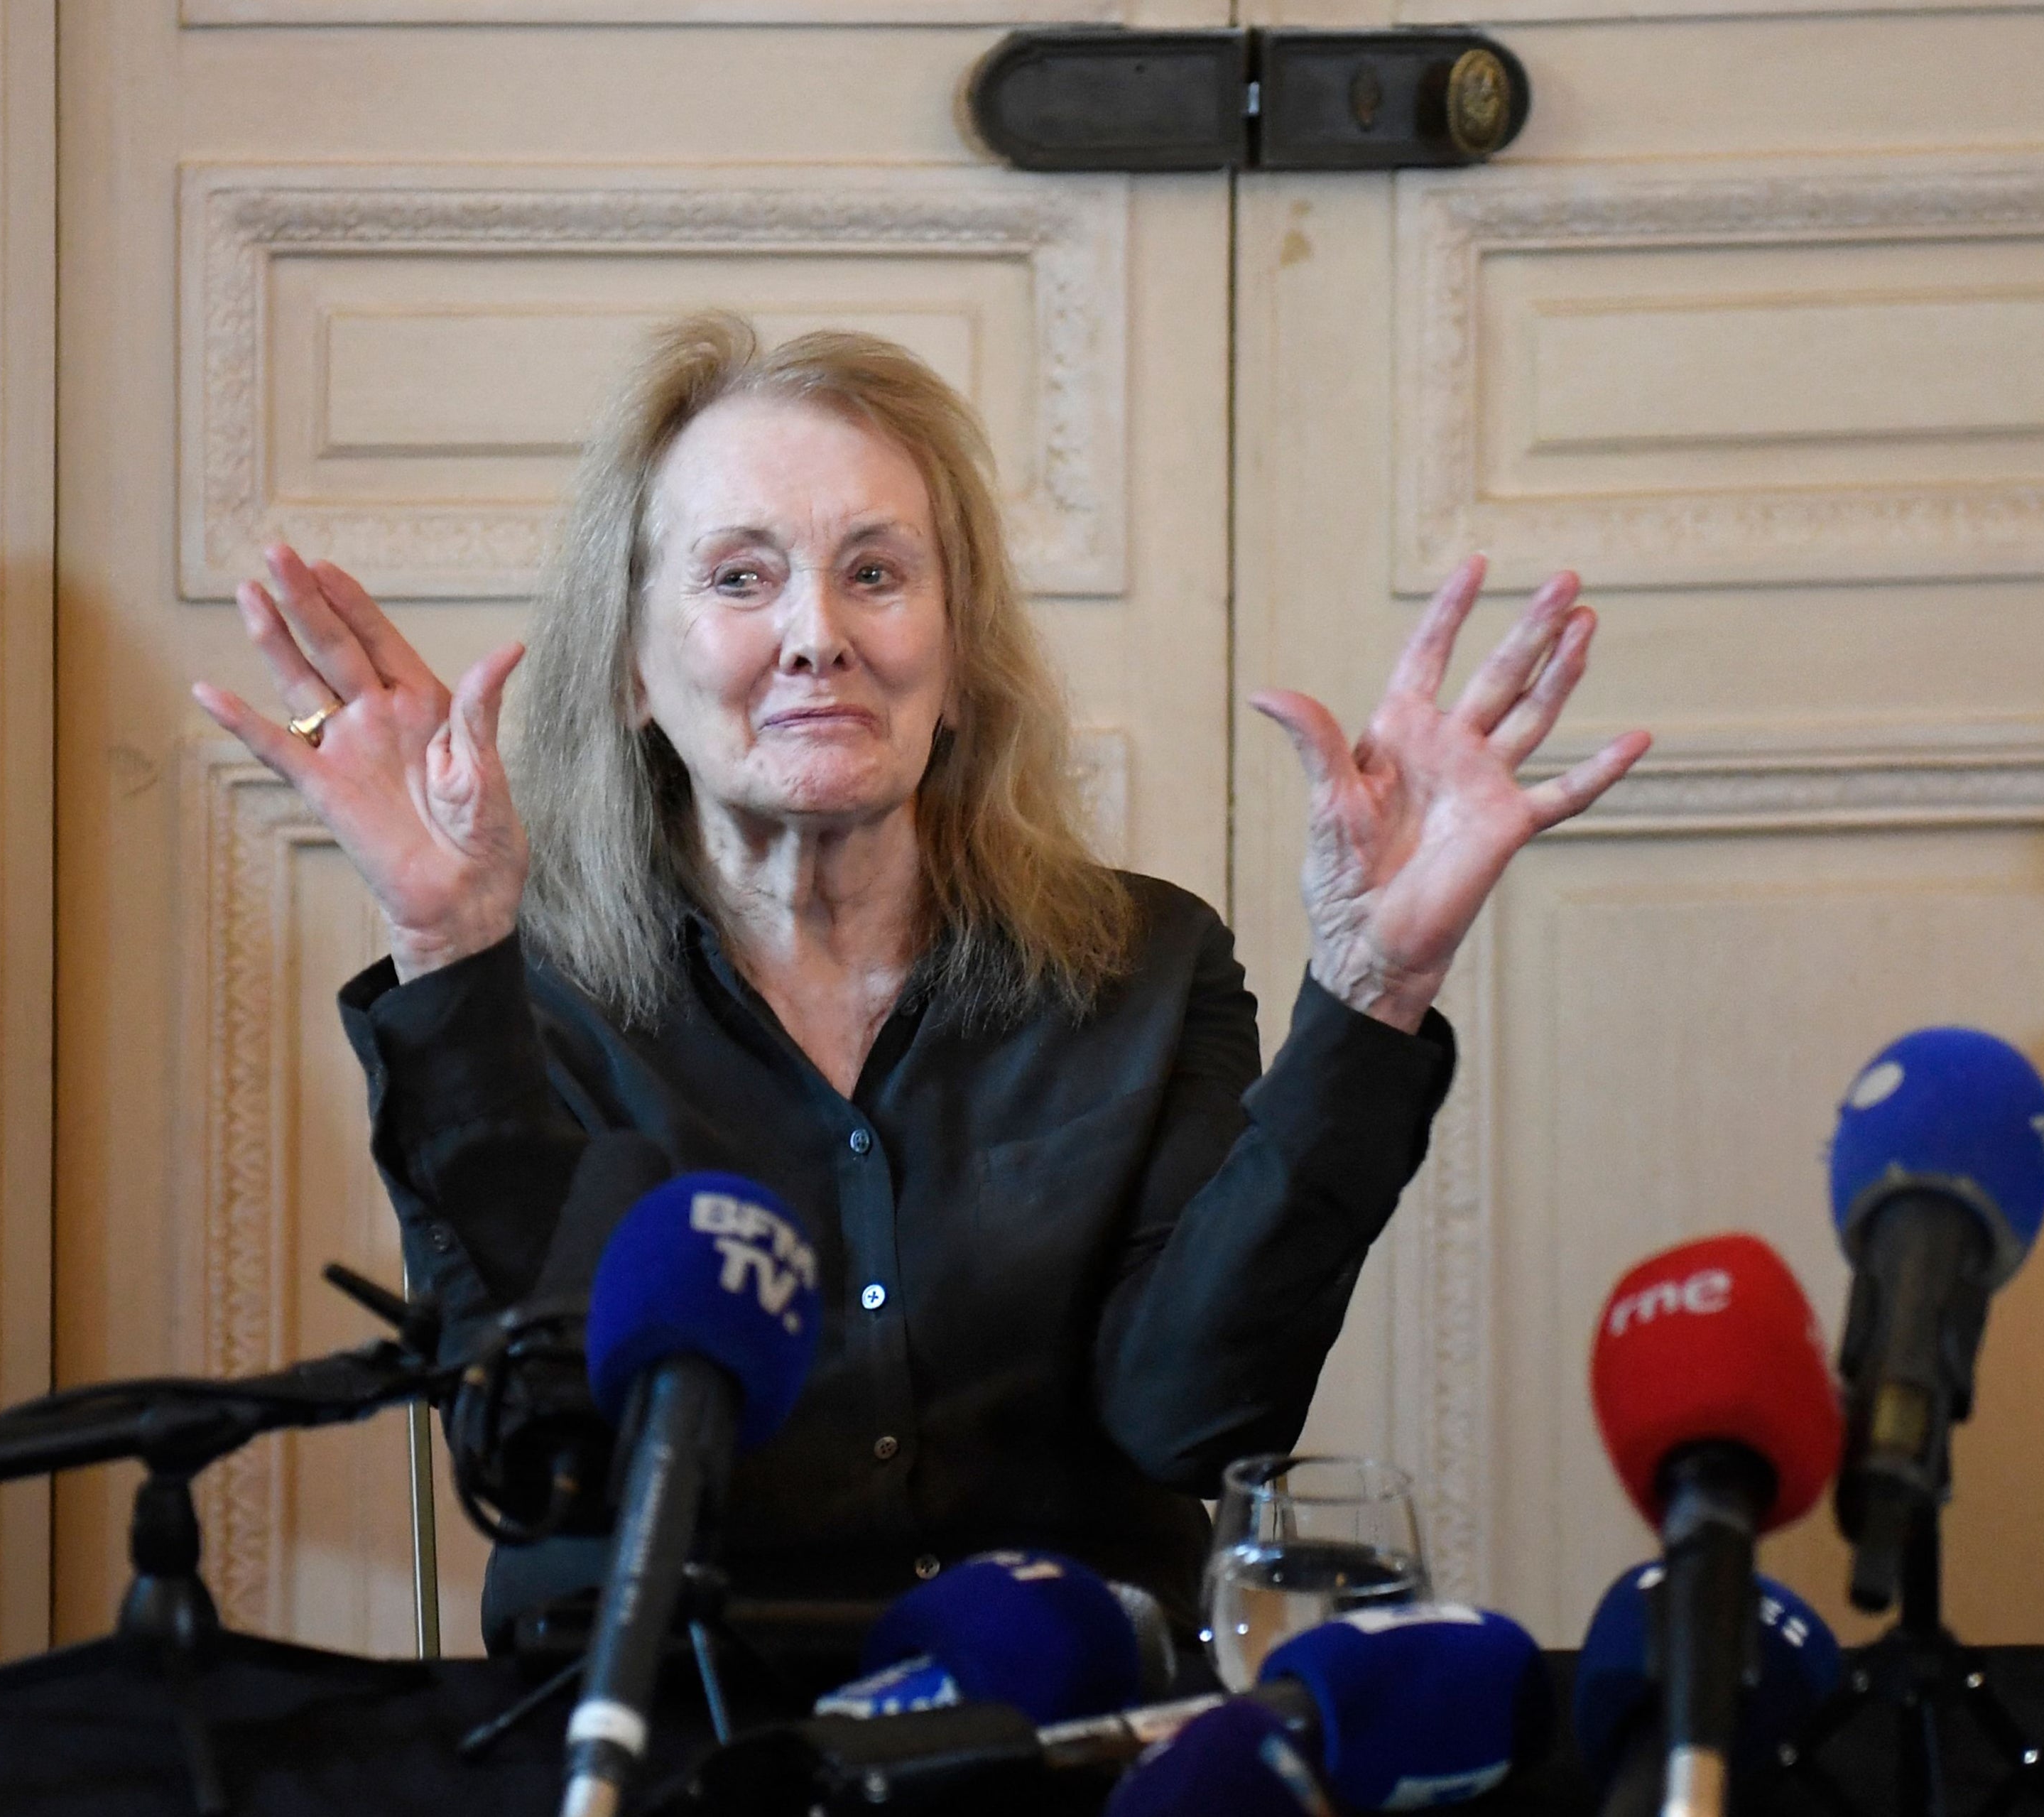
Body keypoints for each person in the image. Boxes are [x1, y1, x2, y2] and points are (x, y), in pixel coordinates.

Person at [191, 313, 1649, 1643]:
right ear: (634, 665)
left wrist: (1375, 988)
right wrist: (451, 956)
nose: (819, 632)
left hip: (1064, 1729)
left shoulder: (1147, 964)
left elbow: (1192, 1420)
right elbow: (547, 1452)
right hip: (671, 1732)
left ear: (955, 656)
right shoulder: (526, 999)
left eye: (876, 573)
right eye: (741, 576)